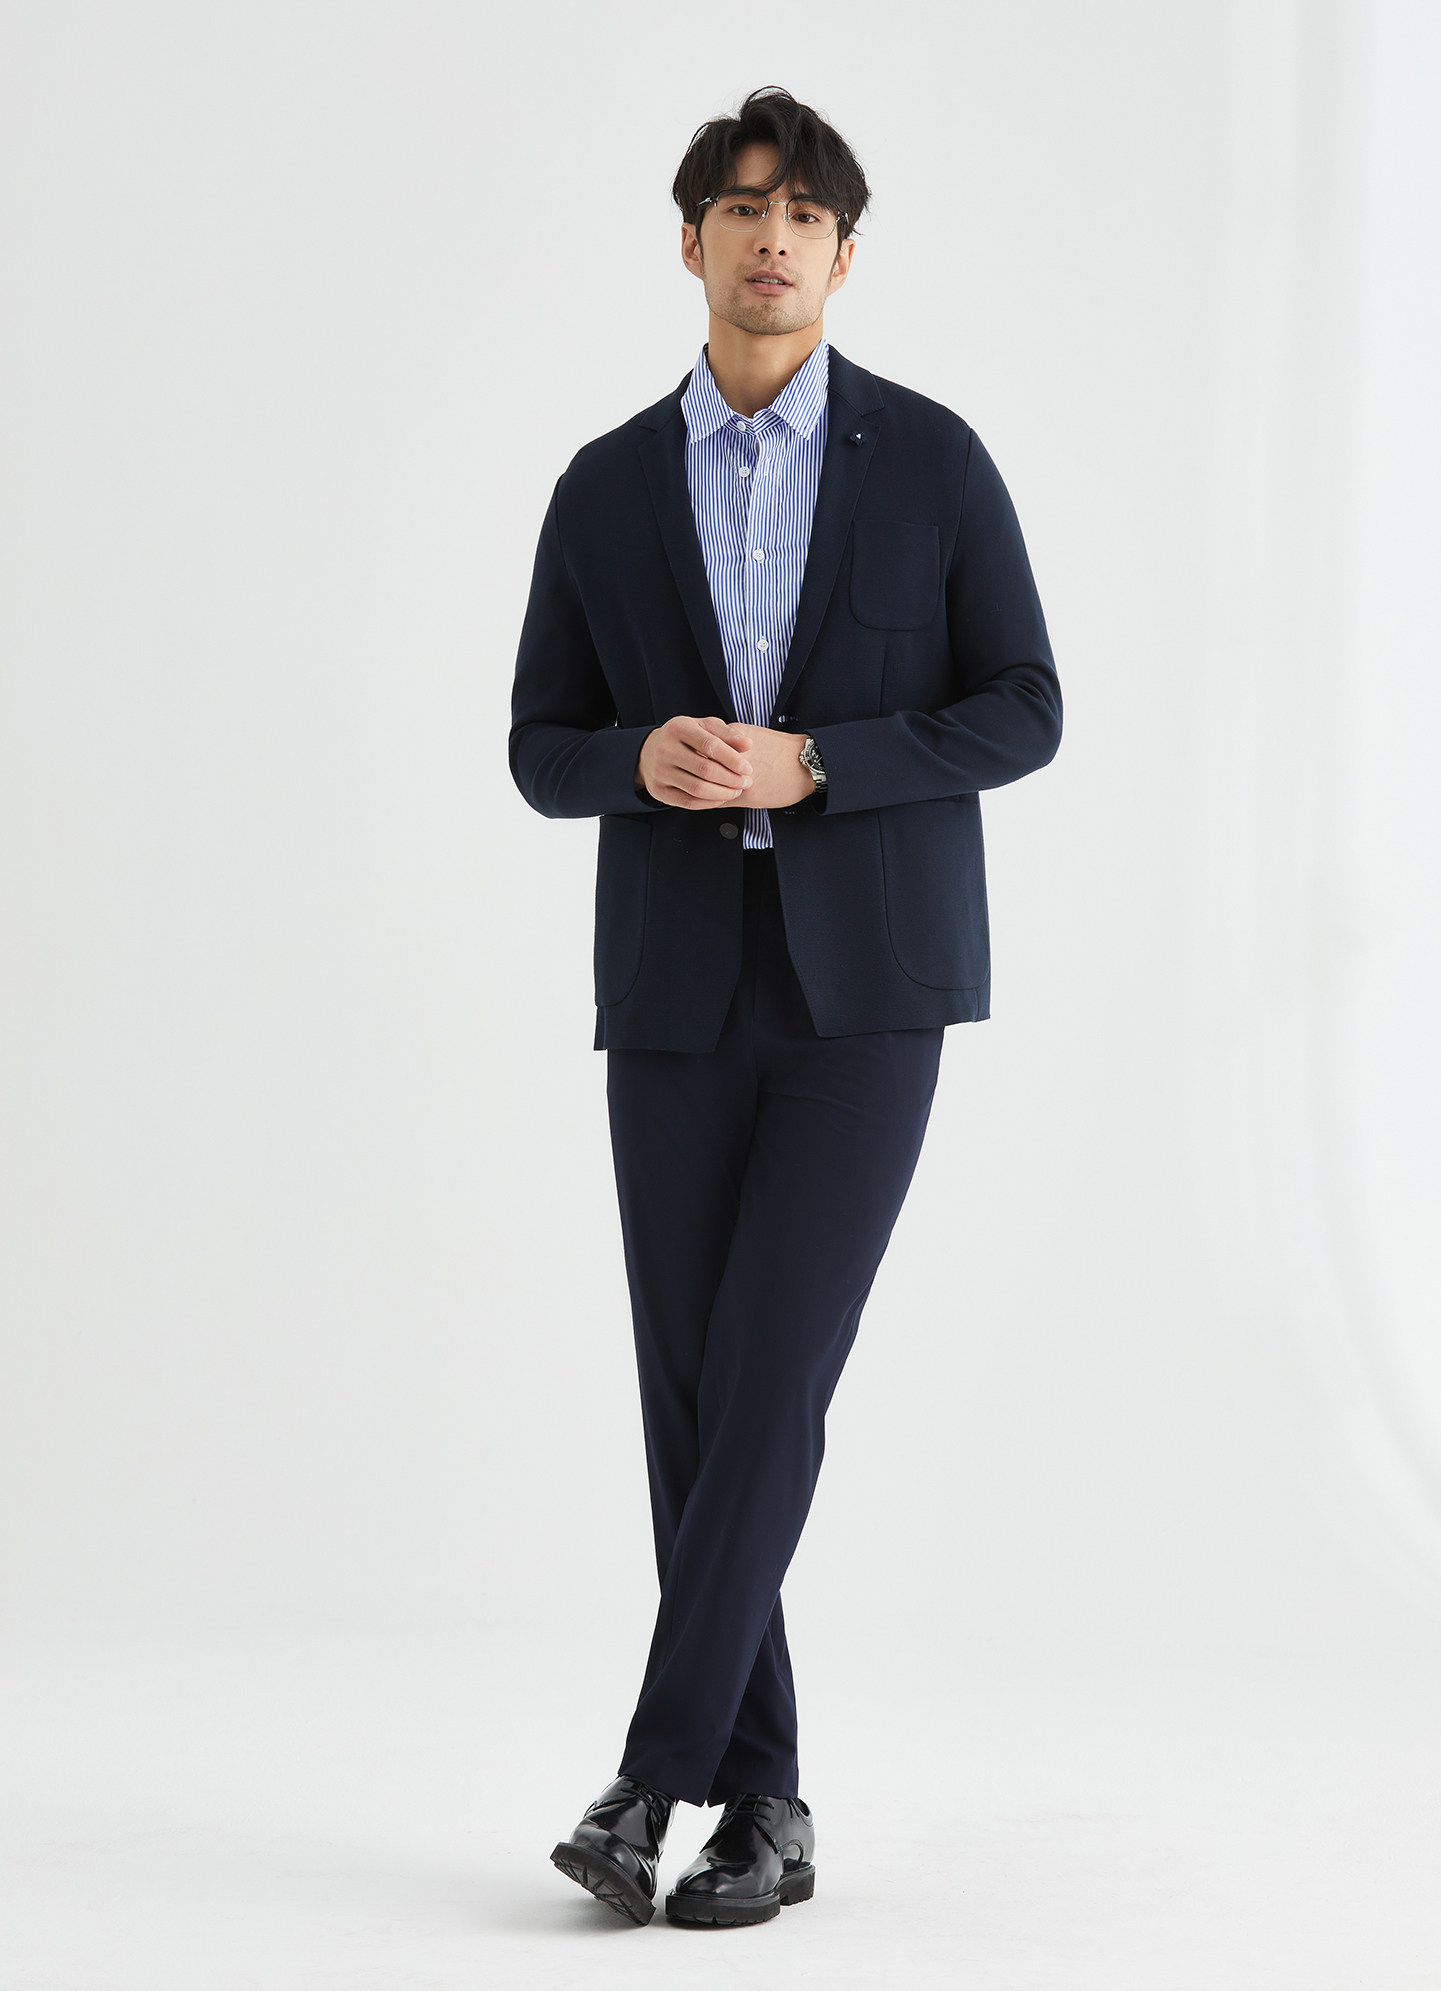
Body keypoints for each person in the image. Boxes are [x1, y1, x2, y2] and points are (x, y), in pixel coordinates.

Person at [509, 83, 1062, 1931]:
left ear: (843, 252)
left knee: (767, 1375)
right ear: (690, 242)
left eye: (804, 214)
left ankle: (650, 1777)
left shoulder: (934, 463)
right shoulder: (604, 485)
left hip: (868, 995)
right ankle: (767, 1808)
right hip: (674, 986)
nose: (772, 239)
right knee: (692, 1393)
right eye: (742, 209)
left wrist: (823, 761)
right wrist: (633, 758)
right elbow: (539, 745)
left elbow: (1026, 707)